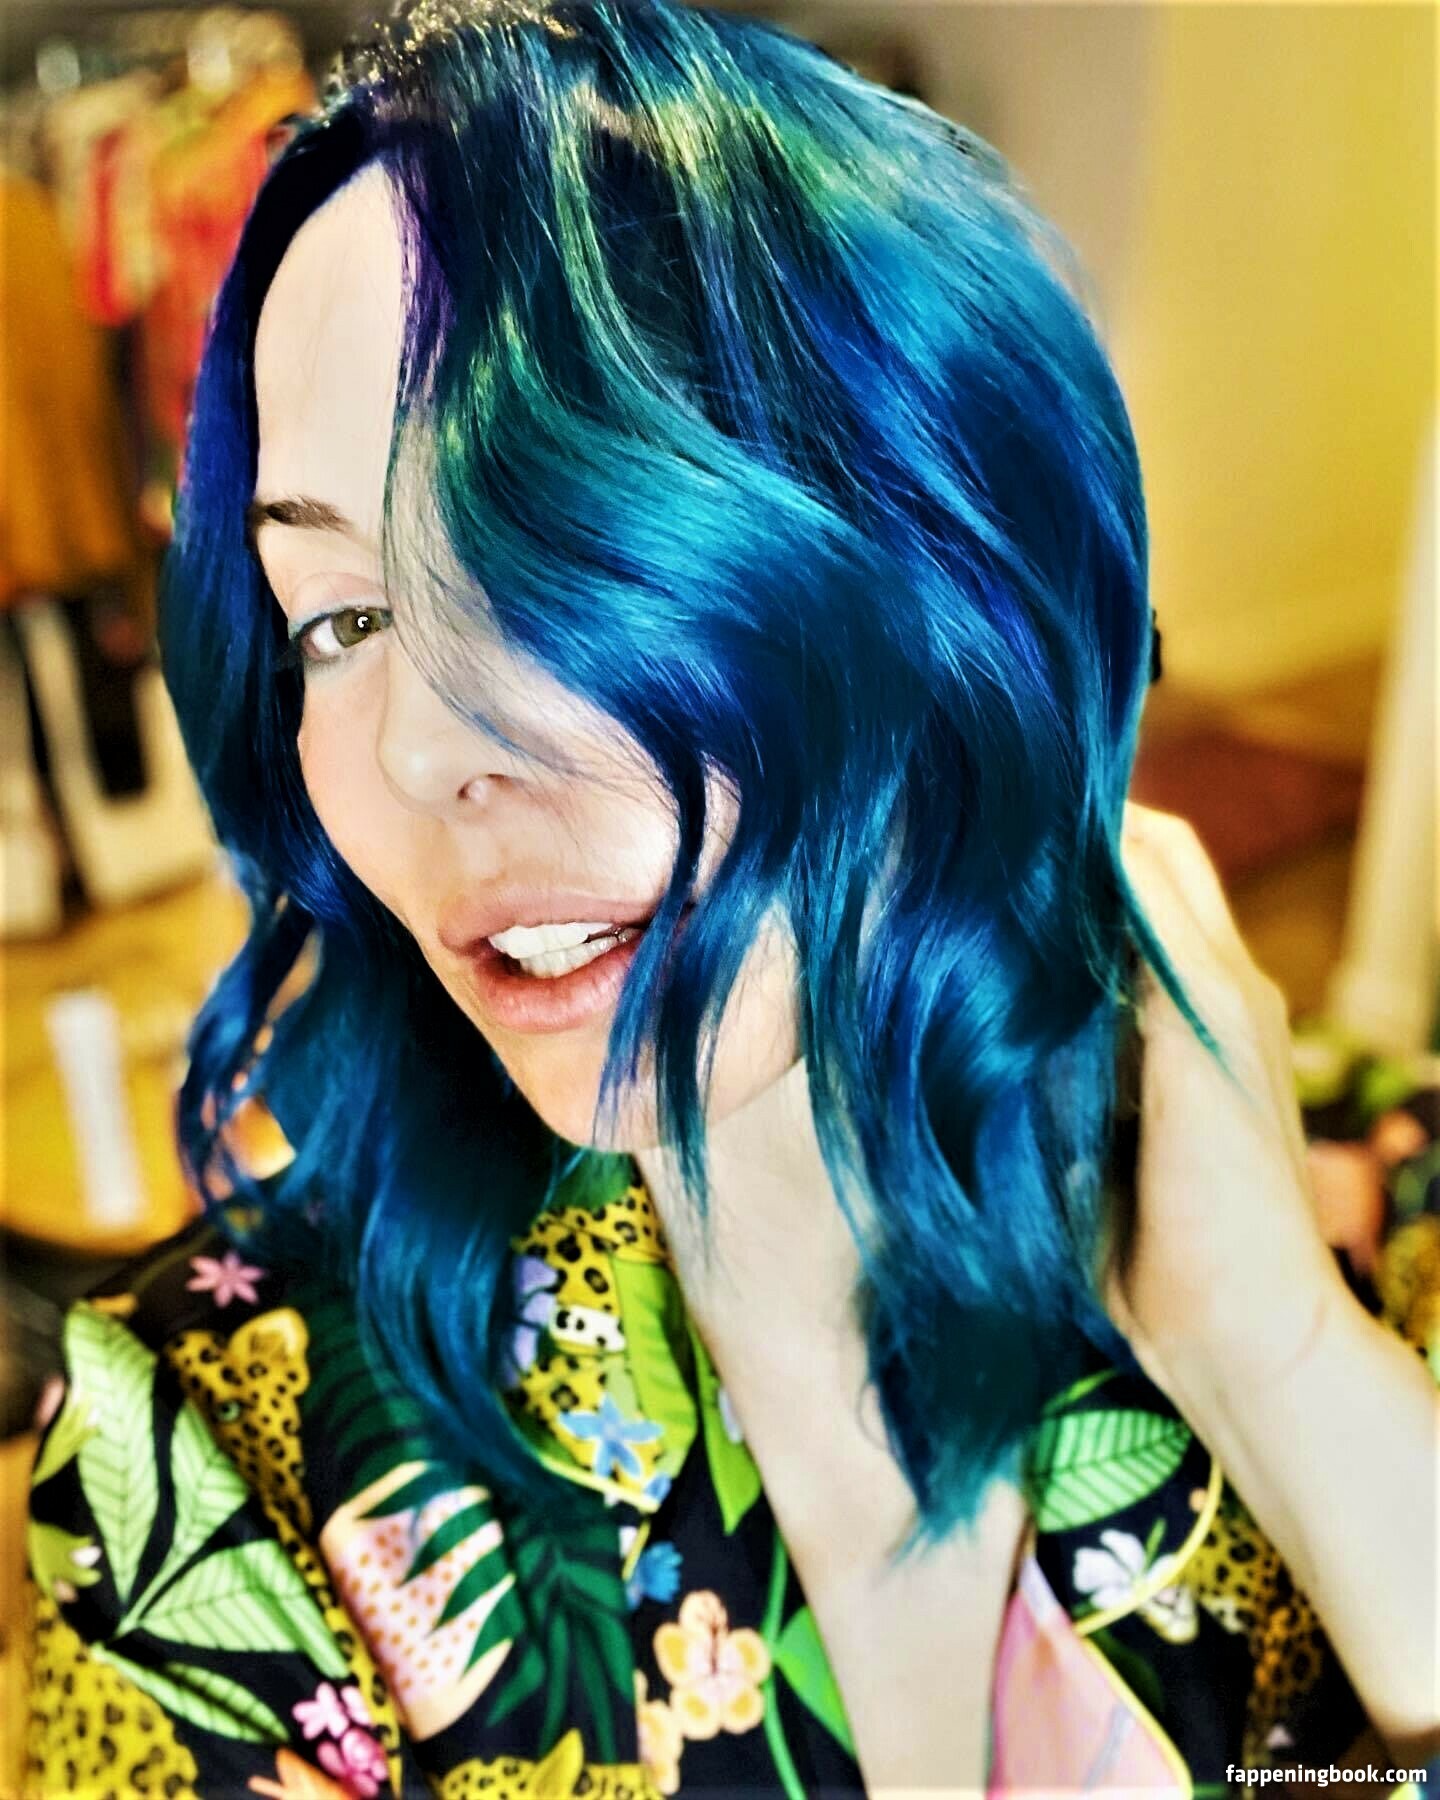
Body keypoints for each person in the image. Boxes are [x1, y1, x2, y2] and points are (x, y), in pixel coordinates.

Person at [23, 3, 1440, 1795]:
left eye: (559, 563)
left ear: (941, 576)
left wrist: (1283, 1359)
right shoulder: (222, 1464)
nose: (416, 752)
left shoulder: (1386, 1212)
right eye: (343, 618)